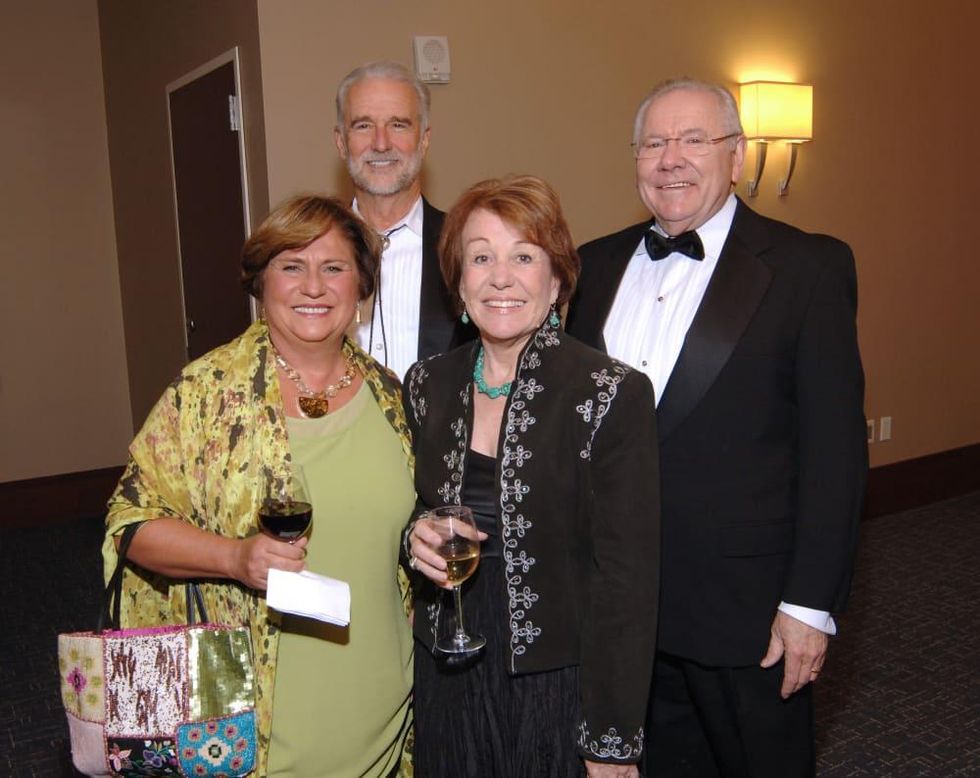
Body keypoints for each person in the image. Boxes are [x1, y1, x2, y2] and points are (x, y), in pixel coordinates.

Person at [566, 78, 868, 776]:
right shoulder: (591, 266)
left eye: (694, 139)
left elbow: (836, 457)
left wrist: (809, 606)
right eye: (654, 142)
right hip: (620, 614)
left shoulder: (806, 268)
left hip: (747, 617)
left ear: (735, 156)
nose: (671, 158)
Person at [104, 195, 416, 777]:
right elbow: (130, 525)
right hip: (255, 716)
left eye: (334, 267)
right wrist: (235, 557)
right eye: (291, 266)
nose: (313, 286)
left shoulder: (392, 397)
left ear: (362, 285)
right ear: (261, 283)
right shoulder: (204, 394)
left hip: (385, 704)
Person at [404, 175, 660, 777]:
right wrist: (411, 539)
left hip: (557, 678)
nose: (501, 276)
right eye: (481, 256)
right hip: (448, 663)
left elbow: (628, 582)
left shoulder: (609, 393)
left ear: (557, 278)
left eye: (524, 256)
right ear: (459, 281)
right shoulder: (426, 385)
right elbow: (410, 514)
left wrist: (612, 738)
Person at [334, 60, 473, 378]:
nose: (381, 143)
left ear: (424, 140)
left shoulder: (466, 248)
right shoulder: (308, 253)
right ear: (341, 142)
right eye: (363, 125)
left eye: (398, 125)